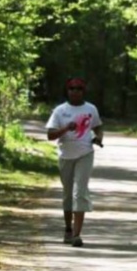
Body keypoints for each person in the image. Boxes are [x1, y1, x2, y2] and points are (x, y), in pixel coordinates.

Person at [46, 77, 104, 248]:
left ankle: (77, 235)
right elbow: (50, 135)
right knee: (68, 194)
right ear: (67, 90)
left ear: (83, 91)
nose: (75, 91)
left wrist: (98, 138)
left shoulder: (91, 109)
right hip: (65, 155)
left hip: (85, 154)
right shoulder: (60, 111)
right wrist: (66, 128)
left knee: (80, 192)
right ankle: (68, 229)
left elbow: (98, 127)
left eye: (79, 88)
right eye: (72, 88)